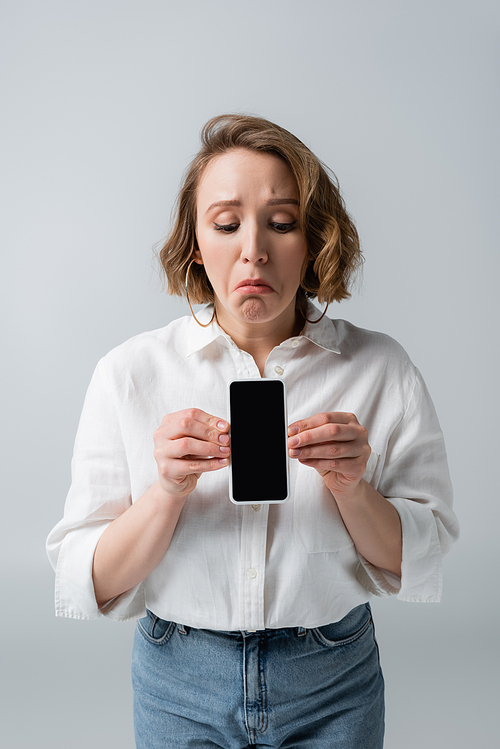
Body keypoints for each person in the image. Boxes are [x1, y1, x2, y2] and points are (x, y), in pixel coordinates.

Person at [46, 114, 459, 748]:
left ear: (314, 238)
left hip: (332, 677)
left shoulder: (383, 370)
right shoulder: (128, 375)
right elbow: (90, 579)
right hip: (178, 678)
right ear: (194, 244)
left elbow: (419, 561)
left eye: (282, 222)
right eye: (226, 223)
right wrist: (166, 491)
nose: (254, 251)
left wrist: (353, 488)